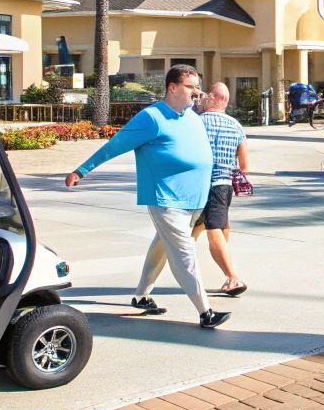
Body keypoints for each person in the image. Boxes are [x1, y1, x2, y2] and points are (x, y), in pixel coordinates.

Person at [65, 64, 232, 328]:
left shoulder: (192, 117)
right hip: (166, 199)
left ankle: (141, 296)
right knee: (184, 254)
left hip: (194, 202)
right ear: (172, 87)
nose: (196, 92)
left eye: (197, 87)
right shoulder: (151, 118)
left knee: (161, 248)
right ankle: (205, 312)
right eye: (190, 87)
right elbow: (116, 144)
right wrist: (82, 170)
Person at [196, 82, 249, 295]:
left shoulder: (197, 122)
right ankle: (198, 270)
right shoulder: (236, 126)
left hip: (204, 185)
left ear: (211, 97)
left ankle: (232, 277)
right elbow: (244, 166)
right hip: (225, 186)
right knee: (221, 227)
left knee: (213, 230)